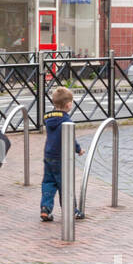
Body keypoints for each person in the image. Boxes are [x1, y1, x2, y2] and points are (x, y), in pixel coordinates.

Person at [40, 85, 83, 223]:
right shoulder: (66, 121)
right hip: (61, 158)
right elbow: (70, 139)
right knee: (65, 183)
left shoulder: (49, 118)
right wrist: (78, 149)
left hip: (48, 155)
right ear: (69, 104)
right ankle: (71, 210)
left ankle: (45, 209)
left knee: (48, 182)